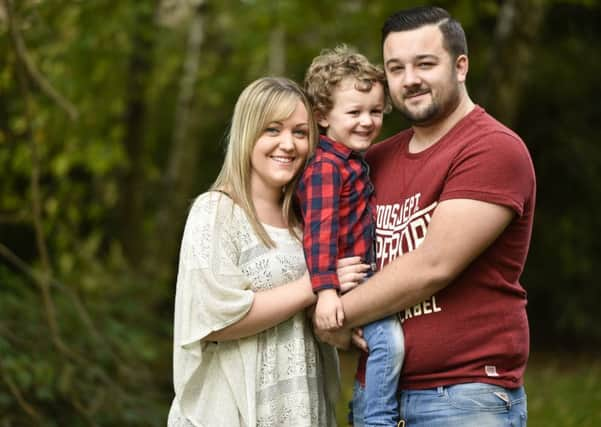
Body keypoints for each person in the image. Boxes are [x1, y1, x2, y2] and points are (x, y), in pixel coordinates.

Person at [317, 6, 536, 427]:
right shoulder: (373, 161)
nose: (409, 79)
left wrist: (333, 313)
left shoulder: (492, 149)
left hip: (463, 397)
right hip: (376, 395)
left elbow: (432, 266)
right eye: (395, 68)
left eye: (425, 64)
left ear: (460, 66)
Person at [167, 77, 345, 427]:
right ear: (248, 134)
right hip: (233, 411)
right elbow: (215, 318)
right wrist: (315, 282)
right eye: (273, 130)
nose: (288, 144)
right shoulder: (216, 212)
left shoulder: (305, 223)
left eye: (300, 132)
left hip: (301, 408)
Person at [297, 45, 404, 427]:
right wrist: (326, 292)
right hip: (346, 283)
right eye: (354, 112)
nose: (367, 121)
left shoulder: (354, 163)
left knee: (383, 344)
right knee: (389, 342)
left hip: (361, 277)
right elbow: (320, 232)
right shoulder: (326, 168)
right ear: (322, 117)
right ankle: (375, 419)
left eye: (375, 111)